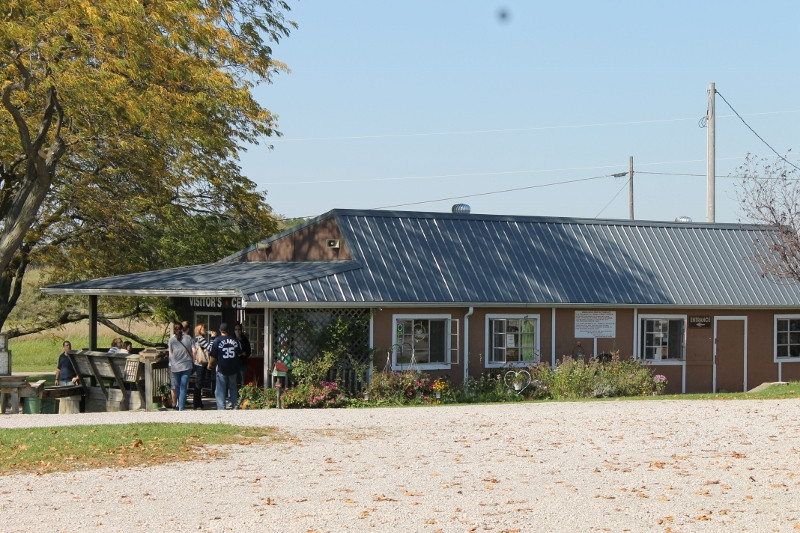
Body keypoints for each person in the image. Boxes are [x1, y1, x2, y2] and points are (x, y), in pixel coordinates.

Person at [208, 323, 241, 410]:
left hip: (222, 368)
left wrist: (210, 364)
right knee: (233, 388)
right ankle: (235, 407)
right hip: (233, 367)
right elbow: (240, 353)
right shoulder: (235, 340)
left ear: (220, 330)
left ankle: (221, 409)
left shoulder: (217, 341)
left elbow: (213, 355)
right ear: (229, 330)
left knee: (220, 390)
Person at [168, 322, 194, 411]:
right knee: (183, 386)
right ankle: (181, 407)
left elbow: (170, 353)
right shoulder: (188, 338)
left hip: (175, 366)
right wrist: (193, 360)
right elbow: (193, 351)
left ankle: (179, 404)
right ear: (182, 328)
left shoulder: (171, 340)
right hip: (187, 365)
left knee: (178, 386)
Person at [192, 323, 213, 410]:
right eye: (203, 328)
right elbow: (210, 348)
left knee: (199, 383)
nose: (205, 330)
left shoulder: (195, 339)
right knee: (199, 384)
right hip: (201, 364)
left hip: (197, 363)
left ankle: (198, 403)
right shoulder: (201, 339)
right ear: (199, 330)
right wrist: (213, 339)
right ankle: (197, 404)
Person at [233, 322, 251, 388]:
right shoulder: (232, 339)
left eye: (239, 329)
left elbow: (249, 350)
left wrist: (245, 354)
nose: (237, 331)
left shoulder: (244, 340)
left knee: (242, 380)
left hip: (243, 363)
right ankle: (234, 396)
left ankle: (242, 396)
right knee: (233, 380)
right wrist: (237, 354)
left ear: (241, 330)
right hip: (234, 363)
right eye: (236, 329)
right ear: (234, 330)